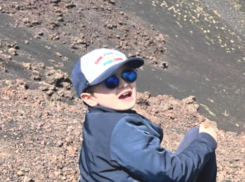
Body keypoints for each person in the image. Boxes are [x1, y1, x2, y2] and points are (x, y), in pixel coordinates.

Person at [70, 48, 218, 182]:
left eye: (128, 74)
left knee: (195, 135)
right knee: (201, 139)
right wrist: (207, 141)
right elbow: (173, 174)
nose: (124, 84)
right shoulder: (122, 130)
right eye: (110, 81)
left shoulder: (97, 118)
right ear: (89, 98)